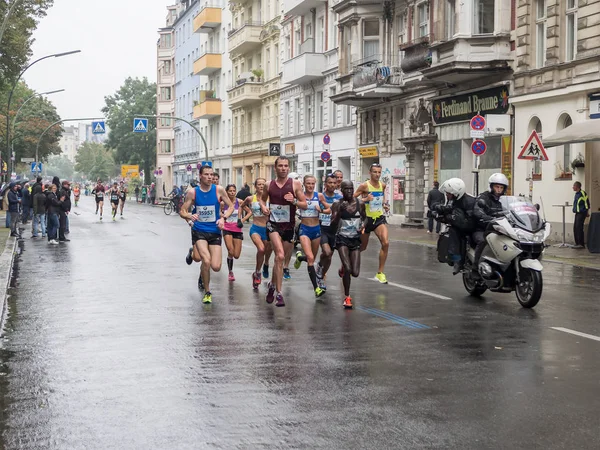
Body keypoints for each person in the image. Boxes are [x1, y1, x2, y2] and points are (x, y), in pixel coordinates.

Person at [180, 165, 234, 304]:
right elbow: (182, 211)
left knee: (215, 267)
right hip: (199, 231)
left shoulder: (219, 190)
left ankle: (198, 261)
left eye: (211, 174)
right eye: (207, 174)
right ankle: (207, 291)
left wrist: (223, 218)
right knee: (206, 260)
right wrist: (190, 216)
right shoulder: (193, 192)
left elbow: (231, 206)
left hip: (215, 231)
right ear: (200, 176)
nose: (210, 177)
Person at [259, 156, 307, 307]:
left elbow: (304, 204)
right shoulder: (269, 184)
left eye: (286, 166)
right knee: (279, 256)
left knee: (280, 259)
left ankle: (272, 286)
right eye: (280, 166)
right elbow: (262, 199)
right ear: (275, 168)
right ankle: (279, 294)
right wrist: (263, 207)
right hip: (273, 224)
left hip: (289, 226)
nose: (283, 168)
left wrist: (293, 201)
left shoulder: (295, 184)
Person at [331, 180, 367, 309]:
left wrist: (363, 225)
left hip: (355, 239)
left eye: (351, 188)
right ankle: (347, 297)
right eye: (346, 189)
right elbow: (332, 224)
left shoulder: (360, 204)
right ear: (341, 190)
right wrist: (340, 212)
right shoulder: (337, 204)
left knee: (355, 272)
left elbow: (365, 217)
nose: (350, 191)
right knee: (348, 268)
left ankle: (343, 269)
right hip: (342, 239)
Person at [354, 163, 390, 284]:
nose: (377, 174)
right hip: (366, 220)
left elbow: (382, 197)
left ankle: (380, 273)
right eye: (375, 172)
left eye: (379, 172)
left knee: (385, 243)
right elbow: (352, 200)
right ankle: (348, 262)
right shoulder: (364, 186)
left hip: (379, 218)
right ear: (370, 173)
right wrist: (365, 199)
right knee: (362, 247)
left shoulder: (382, 185)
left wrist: (385, 205)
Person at [293, 175, 327, 298]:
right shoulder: (300, 196)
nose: (311, 186)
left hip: (316, 229)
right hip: (304, 229)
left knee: (310, 258)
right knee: (311, 258)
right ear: (304, 184)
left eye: (313, 183)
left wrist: (322, 210)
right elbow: (292, 208)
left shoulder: (319, 196)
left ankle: (300, 258)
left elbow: (329, 209)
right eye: (308, 183)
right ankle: (316, 288)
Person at [433, 178, 475, 274]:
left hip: (470, 228)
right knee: (452, 231)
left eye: (449, 193)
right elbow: (447, 209)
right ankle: (457, 260)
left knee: (454, 231)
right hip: (462, 227)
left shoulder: (469, 201)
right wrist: (437, 210)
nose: (447, 195)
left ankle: (458, 260)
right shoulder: (453, 200)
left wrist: (450, 218)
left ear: (456, 193)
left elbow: (466, 222)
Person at [472, 173, 509, 272]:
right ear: (491, 186)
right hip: (483, 228)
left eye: (501, 187)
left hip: (499, 229)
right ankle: (475, 268)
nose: (499, 190)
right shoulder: (483, 197)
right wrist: (488, 218)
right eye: (497, 187)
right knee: (483, 241)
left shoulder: (504, 200)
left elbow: (512, 211)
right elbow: (477, 210)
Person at [243, 178, 273, 289]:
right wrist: (249, 212)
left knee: (269, 249)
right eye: (259, 184)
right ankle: (257, 272)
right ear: (255, 186)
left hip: (268, 228)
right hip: (255, 228)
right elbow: (243, 206)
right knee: (261, 249)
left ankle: (266, 263)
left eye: (263, 184)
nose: (261, 186)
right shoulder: (251, 198)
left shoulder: (271, 198)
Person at [316, 173, 343, 290]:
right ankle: (320, 275)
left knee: (329, 256)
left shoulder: (339, 197)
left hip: (334, 229)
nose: (332, 185)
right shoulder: (320, 197)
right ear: (325, 184)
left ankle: (321, 272)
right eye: (330, 182)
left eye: (334, 183)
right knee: (327, 252)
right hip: (322, 228)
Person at [221, 184, 251, 281]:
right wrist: (222, 216)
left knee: (236, 255)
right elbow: (218, 213)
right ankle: (230, 272)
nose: (232, 192)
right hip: (227, 228)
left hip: (237, 229)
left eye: (234, 190)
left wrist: (242, 220)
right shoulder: (223, 203)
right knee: (231, 251)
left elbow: (250, 212)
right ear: (227, 192)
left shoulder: (239, 202)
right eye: (230, 191)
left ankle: (231, 264)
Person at [572, 181, 590, 249]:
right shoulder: (576, 194)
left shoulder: (582, 193)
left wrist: (587, 212)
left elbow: (586, 203)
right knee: (575, 228)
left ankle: (581, 244)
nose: (573, 187)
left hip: (582, 213)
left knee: (579, 228)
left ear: (577, 187)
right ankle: (577, 243)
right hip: (577, 213)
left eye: (574, 186)